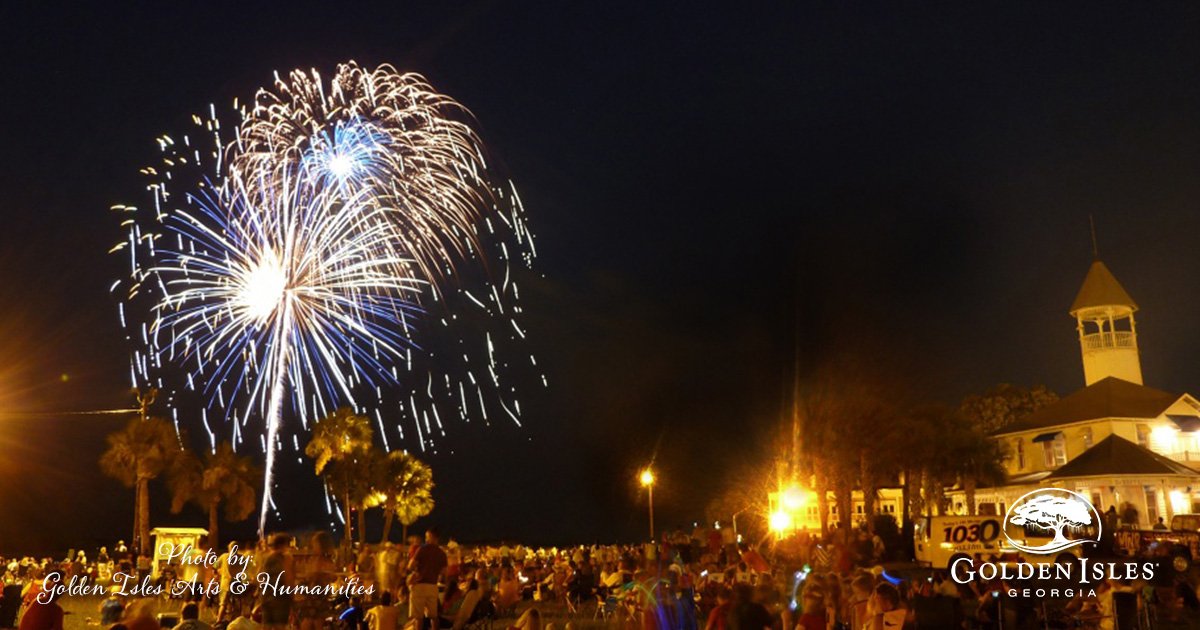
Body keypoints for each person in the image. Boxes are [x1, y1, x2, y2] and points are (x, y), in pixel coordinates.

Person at [407, 528, 448, 629]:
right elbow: (444, 572)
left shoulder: (422, 549)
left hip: (419, 585)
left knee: (418, 617)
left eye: (427, 537)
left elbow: (411, 566)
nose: (426, 539)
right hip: (433, 586)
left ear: (432, 537)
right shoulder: (442, 553)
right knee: (433, 616)